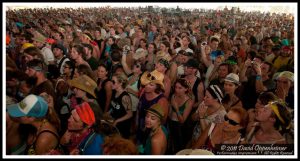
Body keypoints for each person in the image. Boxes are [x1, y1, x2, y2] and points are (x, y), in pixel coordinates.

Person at [136, 70, 169, 147]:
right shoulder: (143, 92)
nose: (147, 86)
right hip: (141, 127)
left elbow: (163, 121)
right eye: (146, 83)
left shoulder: (161, 100)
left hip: (152, 132)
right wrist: (137, 122)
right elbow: (139, 108)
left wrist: (152, 133)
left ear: (157, 86)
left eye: (151, 85)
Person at [168, 78, 194, 154]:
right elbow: (170, 112)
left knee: (179, 148)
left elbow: (182, 121)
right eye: (176, 87)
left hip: (181, 128)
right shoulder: (173, 96)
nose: (177, 90)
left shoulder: (189, 101)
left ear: (186, 89)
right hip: (171, 123)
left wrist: (176, 109)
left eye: (180, 88)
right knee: (171, 145)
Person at [108, 74, 133, 139]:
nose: (111, 83)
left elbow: (130, 114)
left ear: (120, 83)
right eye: (111, 81)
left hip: (122, 126)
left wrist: (117, 121)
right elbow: (113, 107)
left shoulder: (125, 97)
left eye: (113, 82)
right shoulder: (115, 92)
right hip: (115, 124)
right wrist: (108, 113)